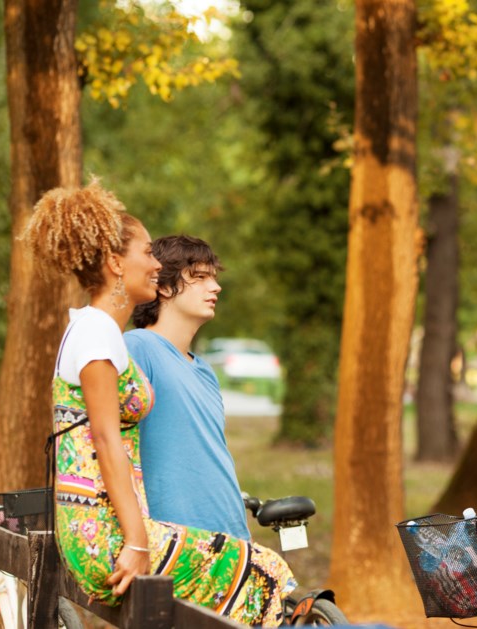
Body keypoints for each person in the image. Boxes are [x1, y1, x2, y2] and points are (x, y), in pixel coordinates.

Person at [25, 181, 296, 626]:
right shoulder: (99, 333)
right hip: (104, 532)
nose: (156, 265)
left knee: (261, 572)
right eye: (148, 253)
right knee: (267, 572)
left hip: (102, 526)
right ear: (115, 263)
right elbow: (107, 442)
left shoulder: (96, 331)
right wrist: (136, 541)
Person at [124, 235, 250, 540]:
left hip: (231, 537)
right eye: (200, 277)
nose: (216, 287)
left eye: (214, 278)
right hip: (175, 541)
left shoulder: (205, 371)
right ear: (165, 287)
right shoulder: (137, 347)